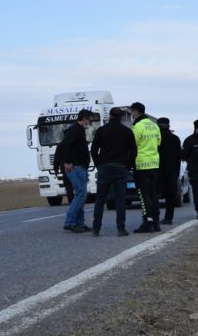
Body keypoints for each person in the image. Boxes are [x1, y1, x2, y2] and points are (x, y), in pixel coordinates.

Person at [90, 107, 137, 237]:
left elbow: (94, 150)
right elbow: (133, 152)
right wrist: (128, 166)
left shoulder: (101, 130)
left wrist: (99, 165)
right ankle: (121, 228)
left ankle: (96, 228)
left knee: (100, 199)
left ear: (109, 116)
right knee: (120, 200)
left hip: (105, 167)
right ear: (121, 117)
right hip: (121, 168)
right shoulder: (127, 132)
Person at [58, 109, 94, 233]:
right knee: (81, 194)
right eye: (89, 119)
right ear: (84, 118)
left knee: (81, 195)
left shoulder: (78, 130)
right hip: (76, 167)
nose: (90, 122)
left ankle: (80, 223)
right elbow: (64, 145)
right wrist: (67, 161)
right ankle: (70, 222)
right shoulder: (75, 130)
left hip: (80, 167)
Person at [129, 102, 162, 233]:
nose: (131, 115)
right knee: (153, 194)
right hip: (154, 163)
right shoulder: (154, 125)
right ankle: (156, 222)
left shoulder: (137, 126)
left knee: (144, 195)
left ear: (136, 112)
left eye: (132, 112)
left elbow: (133, 144)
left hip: (142, 164)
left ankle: (147, 223)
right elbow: (159, 142)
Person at [156, 117, 181, 225]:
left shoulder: (156, 138)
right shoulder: (175, 138)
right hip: (171, 171)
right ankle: (168, 217)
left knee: (155, 194)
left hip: (157, 170)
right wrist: (177, 172)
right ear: (169, 126)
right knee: (170, 196)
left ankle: (154, 217)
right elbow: (179, 157)